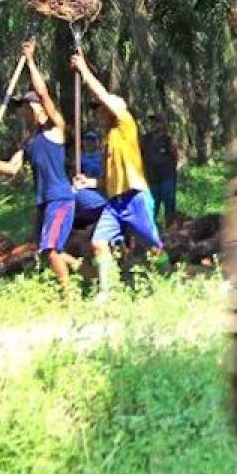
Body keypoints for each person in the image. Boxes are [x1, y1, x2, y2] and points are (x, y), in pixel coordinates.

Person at [0, 40, 75, 292]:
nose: (22, 111)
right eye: (20, 107)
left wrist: (30, 61)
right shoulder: (29, 141)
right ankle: (84, 267)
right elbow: (12, 169)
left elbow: (43, 94)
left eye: (25, 106)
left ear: (37, 108)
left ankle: (69, 301)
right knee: (44, 251)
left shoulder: (55, 128)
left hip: (60, 199)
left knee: (51, 249)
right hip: (42, 201)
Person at [69, 51, 162, 299]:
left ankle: (171, 276)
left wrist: (84, 70)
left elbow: (104, 97)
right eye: (97, 109)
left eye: (101, 107)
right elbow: (107, 181)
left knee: (154, 248)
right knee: (99, 243)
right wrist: (88, 182)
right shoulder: (107, 140)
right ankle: (106, 292)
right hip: (114, 202)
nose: (98, 111)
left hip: (134, 198)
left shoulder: (125, 124)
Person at [140, 113, 179, 223]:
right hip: (151, 178)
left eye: (157, 121)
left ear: (163, 124)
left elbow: (176, 155)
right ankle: (152, 232)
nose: (154, 124)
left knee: (169, 204)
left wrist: (173, 169)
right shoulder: (145, 139)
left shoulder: (168, 139)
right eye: (152, 122)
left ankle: (171, 228)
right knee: (152, 206)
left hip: (167, 177)